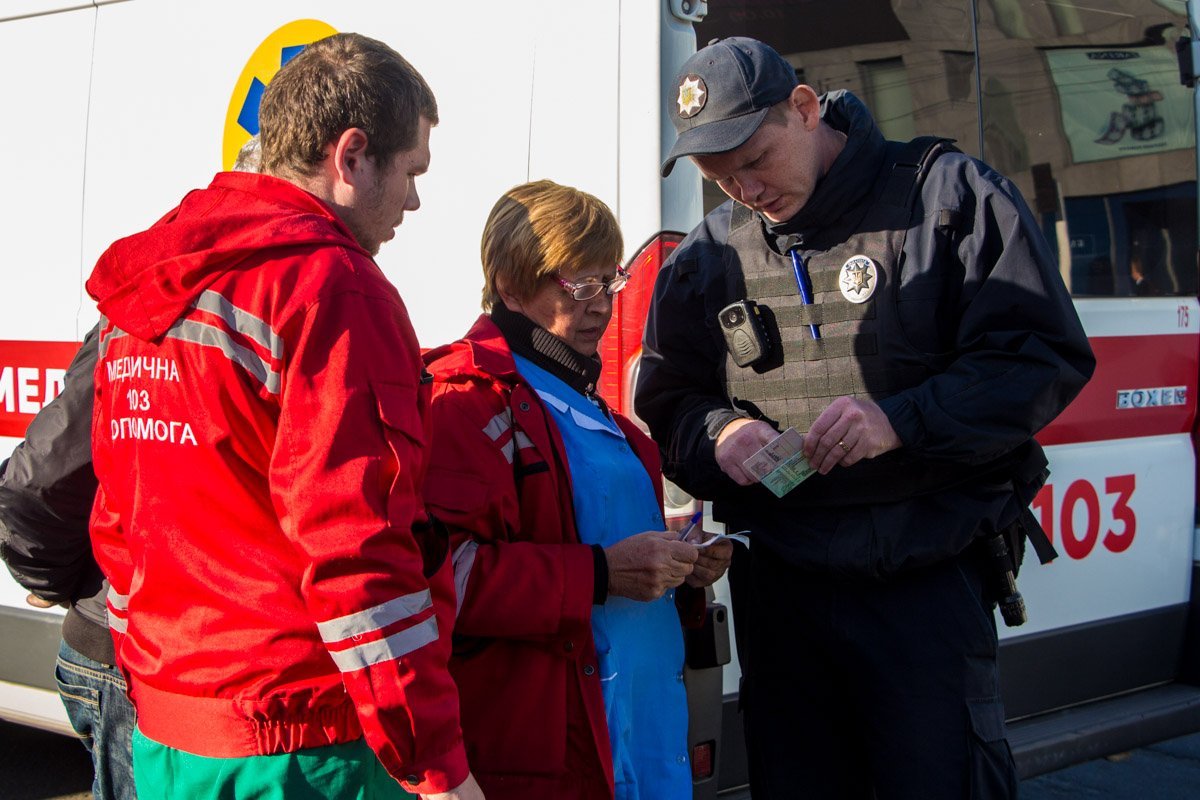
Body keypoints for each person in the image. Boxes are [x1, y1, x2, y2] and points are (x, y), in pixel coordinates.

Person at [637, 37, 1095, 799]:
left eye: (755, 158)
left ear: (806, 108)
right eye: (721, 178)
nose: (746, 189)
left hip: (921, 588)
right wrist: (721, 434)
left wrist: (902, 419)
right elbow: (667, 398)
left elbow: (1041, 357)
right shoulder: (711, 253)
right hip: (782, 597)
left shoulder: (948, 197)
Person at [86, 34, 481, 800]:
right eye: (412, 172)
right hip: (308, 747)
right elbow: (359, 553)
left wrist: (163, 681)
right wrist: (435, 765)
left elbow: (119, 522)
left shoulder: (148, 289)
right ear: (352, 156)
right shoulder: (331, 290)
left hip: (174, 738)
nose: (415, 200)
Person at [421, 179, 733, 800]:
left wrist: (677, 559)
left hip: (646, 743)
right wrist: (600, 572)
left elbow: (584, 530)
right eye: (578, 285)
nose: (602, 305)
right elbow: (443, 577)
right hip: (562, 752)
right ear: (512, 285)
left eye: (609, 281)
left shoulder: (588, 404)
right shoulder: (467, 399)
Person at [0, 136, 264, 800]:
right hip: (131, 659)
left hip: (163, 660)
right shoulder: (161, 304)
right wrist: (74, 583)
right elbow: (35, 483)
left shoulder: (236, 299)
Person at [0, 326, 135, 800]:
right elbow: (35, 484)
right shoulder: (146, 310)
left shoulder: (139, 305)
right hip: (128, 654)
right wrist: (59, 578)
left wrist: (58, 580)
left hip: (125, 646)